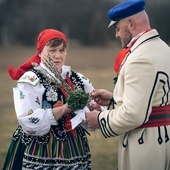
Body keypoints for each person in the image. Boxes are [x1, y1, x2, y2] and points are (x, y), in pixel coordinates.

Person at [86, 0, 170, 170]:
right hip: (161, 138)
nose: (116, 35)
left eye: (117, 29)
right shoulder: (162, 48)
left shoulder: (141, 58)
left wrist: (99, 119)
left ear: (131, 24)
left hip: (146, 145)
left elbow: (134, 114)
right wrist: (113, 99)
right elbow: (153, 98)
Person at [3, 28, 99, 169]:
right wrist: (65, 108)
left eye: (62, 50)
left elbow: (92, 115)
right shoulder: (31, 80)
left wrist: (94, 111)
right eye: (52, 50)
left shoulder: (78, 79)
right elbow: (28, 120)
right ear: (40, 52)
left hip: (74, 147)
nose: (57, 56)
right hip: (39, 147)